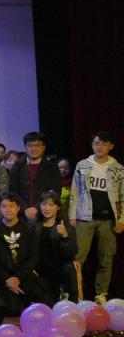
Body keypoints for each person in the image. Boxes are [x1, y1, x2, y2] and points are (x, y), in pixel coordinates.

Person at [69, 131, 123, 305]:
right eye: (96, 143)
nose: (100, 147)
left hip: (108, 219)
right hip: (85, 217)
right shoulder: (83, 165)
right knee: (78, 257)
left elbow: (122, 195)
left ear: (111, 146)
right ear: (92, 145)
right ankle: (74, 292)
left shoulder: (118, 168)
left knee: (106, 257)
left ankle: (101, 294)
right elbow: (75, 190)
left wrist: (121, 220)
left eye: (104, 143)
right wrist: (72, 215)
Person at [0, 193, 44, 315]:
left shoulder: (28, 228)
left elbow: (34, 256)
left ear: (18, 208)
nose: (8, 210)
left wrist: (17, 278)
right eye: (4, 206)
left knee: (38, 294)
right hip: (1, 276)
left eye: (11, 206)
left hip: (22, 274)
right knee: (10, 309)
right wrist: (7, 278)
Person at [36, 191, 80, 304]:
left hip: (60, 271)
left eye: (51, 205)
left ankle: (69, 297)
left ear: (58, 207)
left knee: (68, 268)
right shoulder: (34, 226)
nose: (47, 208)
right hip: (41, 272)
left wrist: (65, 236)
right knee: (47, 303)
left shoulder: (66, 226)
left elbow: (72, 253)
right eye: (44, 204)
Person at [10, 132, 62, 221]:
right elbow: (13, 191)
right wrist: (25, 208)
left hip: (45, 214)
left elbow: (55, 191)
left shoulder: (52, 167)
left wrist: (37, 208)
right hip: (21, 214)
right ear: (25, 147)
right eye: (29, 145)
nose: (33, 148)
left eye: (37, 145)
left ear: (44, 147)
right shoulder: (17, 166)